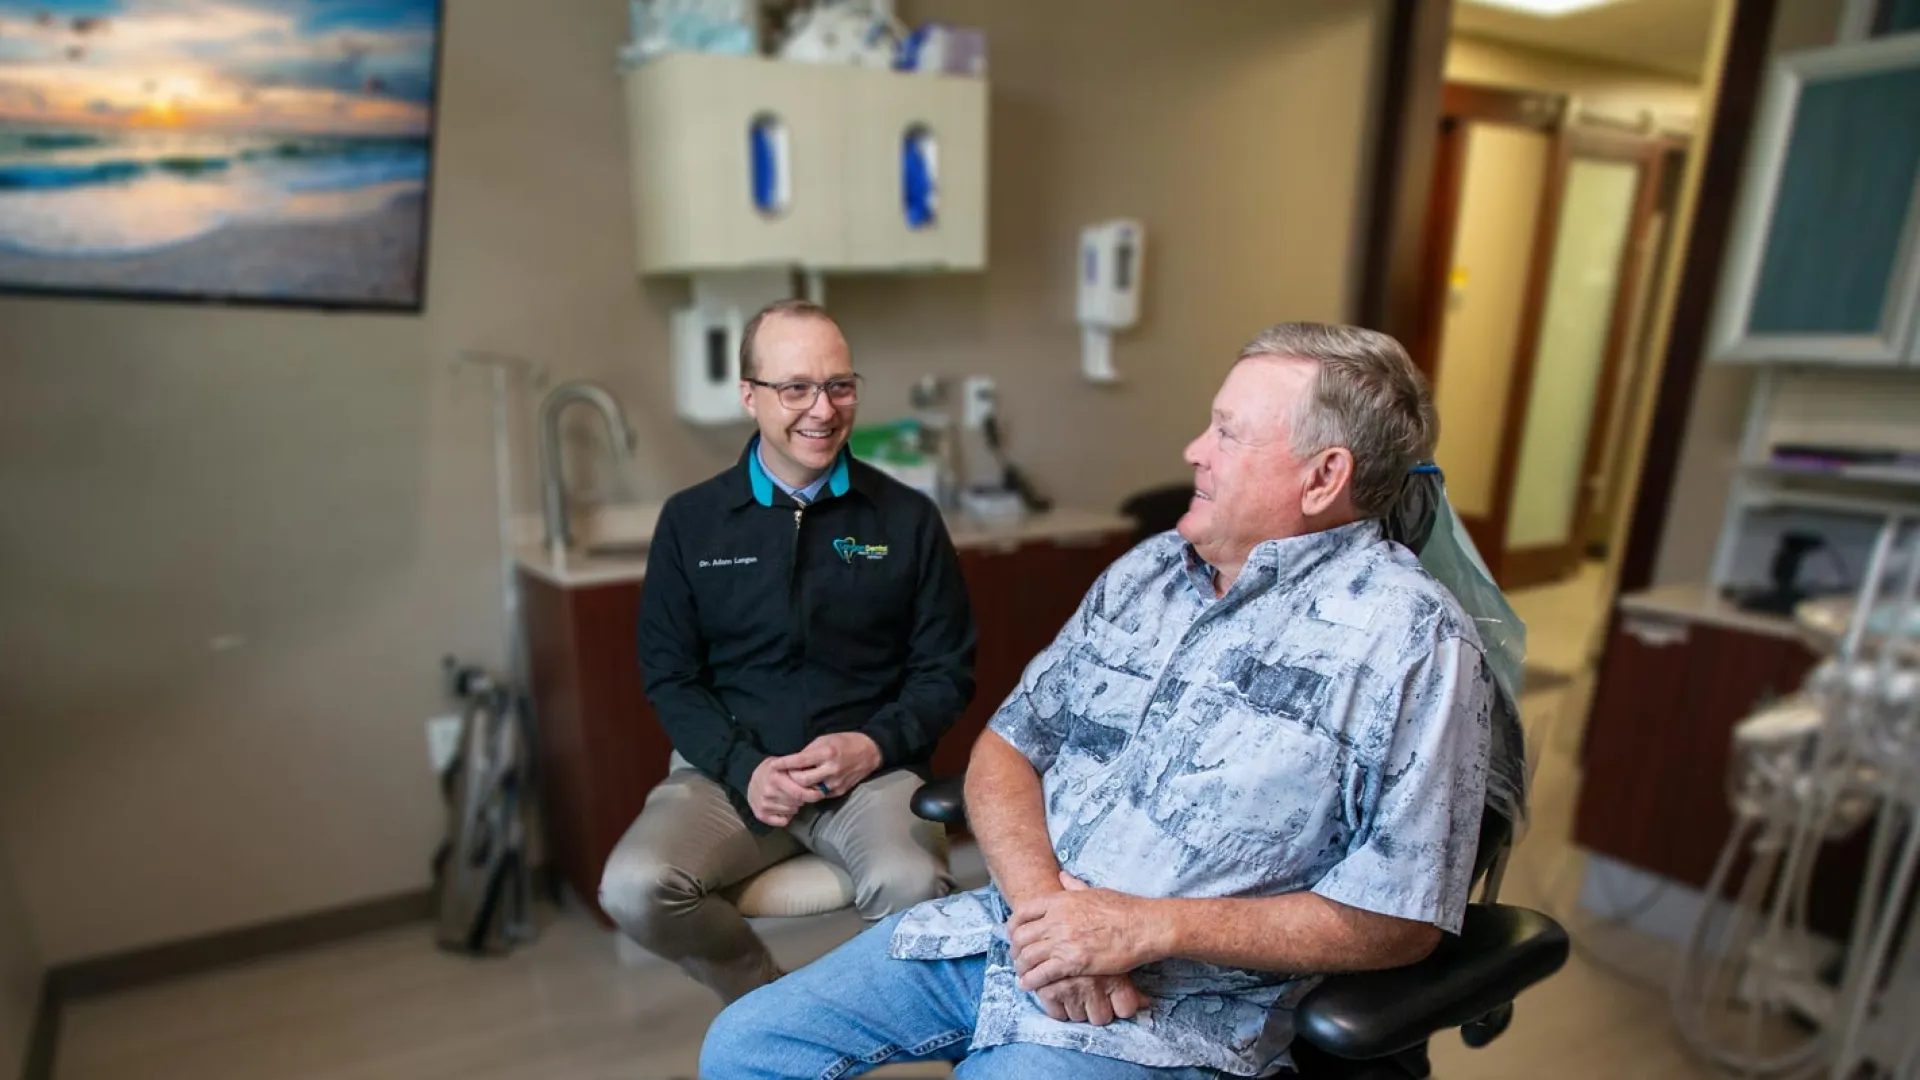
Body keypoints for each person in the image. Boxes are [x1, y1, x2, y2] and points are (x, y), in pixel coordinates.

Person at [700, 322, 1510, 1078]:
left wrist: (1145, 927)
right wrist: (1051, 918)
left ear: (1324, 475)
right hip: (1010, 934)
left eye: (1228, 432)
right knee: (743, 1048)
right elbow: (1008, 747)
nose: (1195, 450)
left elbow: (1402, 919)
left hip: (1176, 1007)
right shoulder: (1151, 572)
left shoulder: (1411, 643)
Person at [599, 299, 977, 1004]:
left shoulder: (905, 518)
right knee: (634, 888)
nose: (822, 409)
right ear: (749, 395)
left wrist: (871, 745)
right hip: (729, 776)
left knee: (914, 887)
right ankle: (771, 1005)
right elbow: (671, 677)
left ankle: (865, 1023)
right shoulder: (692, 522)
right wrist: (746, 768)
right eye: (795, 387)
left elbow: (945, 670)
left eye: (839, 385)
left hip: (871, 774)